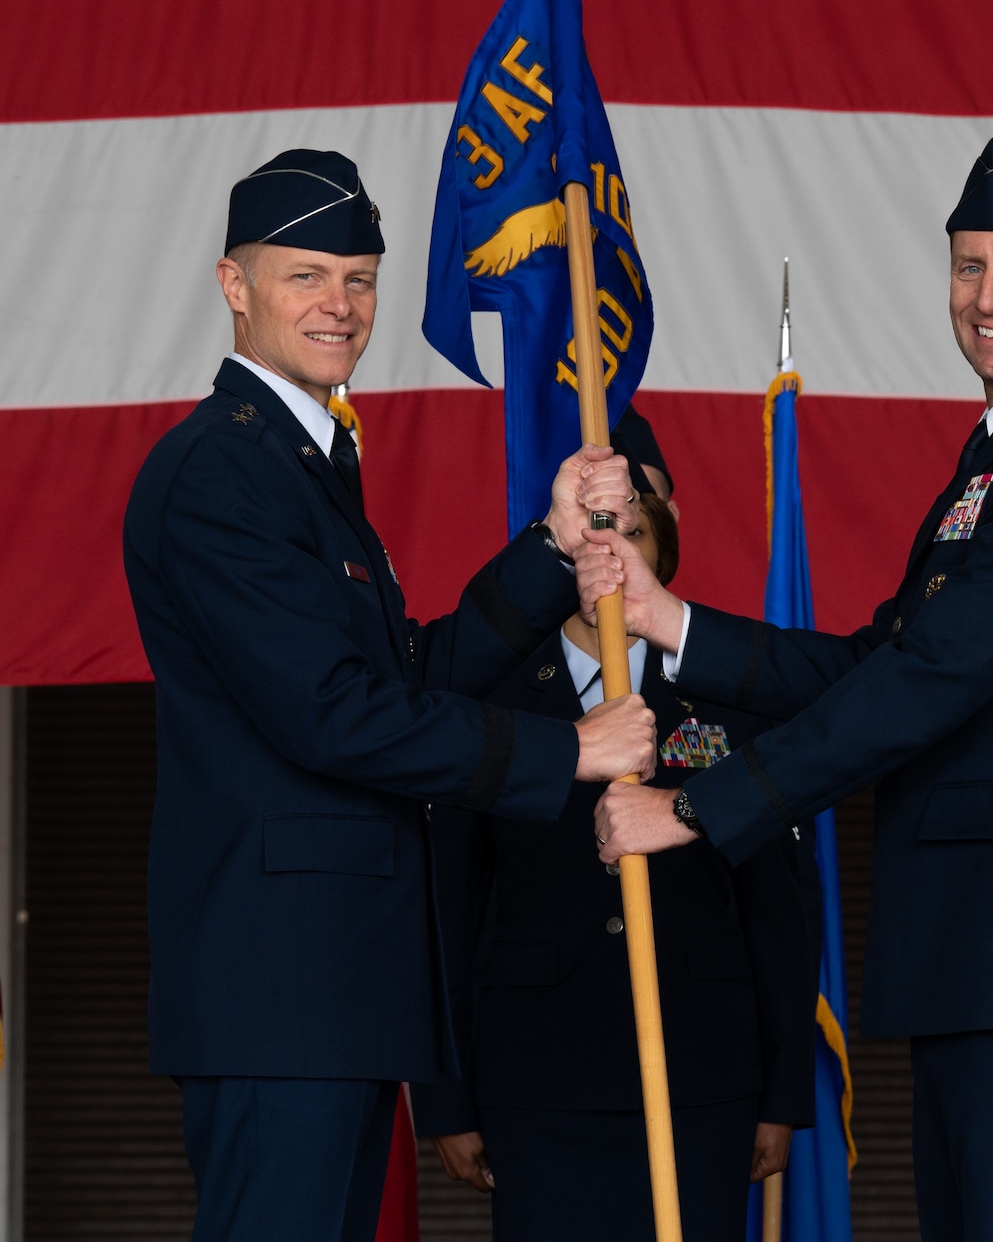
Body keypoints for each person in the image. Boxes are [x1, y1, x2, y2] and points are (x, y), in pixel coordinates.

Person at [585, 134, 993, 1240]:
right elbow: (880, 659)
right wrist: (671, 619)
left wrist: (692, 807)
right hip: (986, 963)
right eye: (968, 265)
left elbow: (930, 676)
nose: (987, 295)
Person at [123, 148, 656, 1242]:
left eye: (359, 278)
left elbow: (400, 675)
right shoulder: (222, 471)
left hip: (332, 989)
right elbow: (331, 713)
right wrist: (569, 754)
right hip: (280, 992)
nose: (339, 304)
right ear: (235, 285)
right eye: (305, 275)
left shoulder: (303, 460)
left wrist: (553, 549)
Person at [412, 433, 820, 1241]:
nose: (612, 558)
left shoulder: (732, 698)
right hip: (538, 1085)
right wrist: (447, 1098)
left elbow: (778, 910)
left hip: (702, 1078)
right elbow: (449, 912)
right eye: (592, 533)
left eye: (631, 532)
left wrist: (781, 1093)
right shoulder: (488, 701)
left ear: (662, 548)